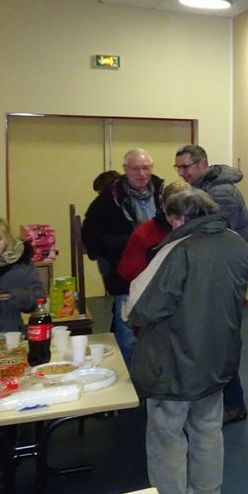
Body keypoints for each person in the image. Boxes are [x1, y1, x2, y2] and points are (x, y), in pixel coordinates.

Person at [126, 188, 248, 494]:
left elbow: (141, 308)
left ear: (178, 217)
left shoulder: (177, 249)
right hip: (218, 356)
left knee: (167, 435)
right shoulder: (235, 243)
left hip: (174, 361)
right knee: (208, 430)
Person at [173, 144, 248, 424]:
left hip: (224, 276)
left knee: (222, 341)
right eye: (178, 168)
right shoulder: (204, 188)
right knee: (215, 340)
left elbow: (215, 236)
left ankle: (234, 403)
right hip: (216, 274)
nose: (182, 173)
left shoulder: (221, 193)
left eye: (186, 167)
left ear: (202, 163)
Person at [82, 148, 164, 364]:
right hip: (126, 277)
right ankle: (129, 379)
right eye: (135, 168)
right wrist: (131, 242)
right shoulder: (108, 200)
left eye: (146, 168)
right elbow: (91, 237)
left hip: (162, 276)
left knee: (161, 335)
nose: (142, 174)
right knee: (127, 336)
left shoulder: (165, 194)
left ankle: (153, 378)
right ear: (125, 169)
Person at [117, 181, 188, 283]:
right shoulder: (145, 233)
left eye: (185, 209)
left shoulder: (202, 229)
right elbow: (128, 271)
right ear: (164, 207)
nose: (180, 219)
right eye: (174, 210)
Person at [0, 215, 42, 332]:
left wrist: (19, 296)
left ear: (7, 239)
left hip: (13, 334)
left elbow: (39, 300)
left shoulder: (21, 262)